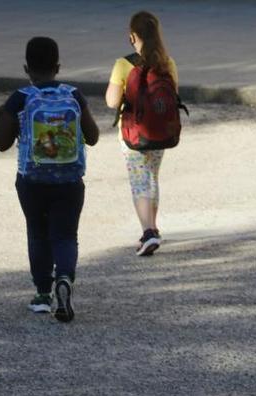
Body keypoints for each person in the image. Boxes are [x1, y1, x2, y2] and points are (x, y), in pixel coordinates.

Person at [0, 36, 100, 322]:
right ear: (58, 66)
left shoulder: (21, 97)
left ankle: (42, 293)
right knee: (65, 235)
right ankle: (64, 277)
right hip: (69, 180)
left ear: (27, 68)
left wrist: (0, 116)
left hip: (32, 180)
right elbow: (93, 136)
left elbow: (1, 143)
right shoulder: (74, 94)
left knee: (38, 233)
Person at [105, 11, 178, 256]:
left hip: (133, 135)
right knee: (152, 178)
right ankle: (152, 228)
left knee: (139, 182)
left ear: (132, 37)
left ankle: (148, 232)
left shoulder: (123, 64)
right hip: (161, 132)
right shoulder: (168, 63)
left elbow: (112, 101)